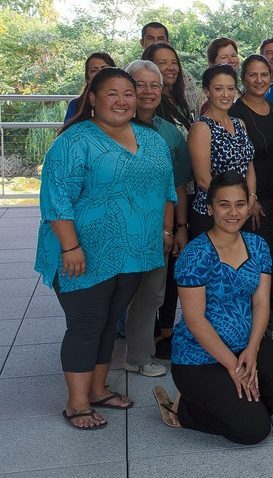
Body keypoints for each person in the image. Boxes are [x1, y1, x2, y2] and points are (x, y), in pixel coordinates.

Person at [37, 67, 176, 430]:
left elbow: (166, 190)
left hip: (134, 253)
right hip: (83, 254)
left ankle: (98, 389)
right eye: (111, 93)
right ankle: (77, 402)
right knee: (86, 324)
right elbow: (56, 199)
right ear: (93, 99)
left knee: (107, 322)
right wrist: (70, 247)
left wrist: (164, 231)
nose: (122, 100)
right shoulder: (74, 140)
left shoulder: (153, 139)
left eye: (128, 93)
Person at [152, 171, 273, 444]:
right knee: (254, 430)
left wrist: (253, 349)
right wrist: (235, 368)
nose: (233, 212)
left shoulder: (258, 246)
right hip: (199, 357)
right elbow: (195, 320)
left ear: (249, 205)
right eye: (224, 204)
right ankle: (186, 408)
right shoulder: (195, 254)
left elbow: (261, 303)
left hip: (244, 345)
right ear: (210, 208)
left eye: (240, 204)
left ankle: (241, 404)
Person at [122, 60, 192, 378]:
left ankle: (138, 356)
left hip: (156, 227)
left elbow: (176, 186)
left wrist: (177, 228)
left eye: (155, 85)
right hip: (117, 226)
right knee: (110, 294)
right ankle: (91, 361)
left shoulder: (168, 133)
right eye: (140, 84)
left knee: (152, 293)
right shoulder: (110, 128)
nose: (148, 92)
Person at [229, 55, 273, 299]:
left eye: (264, 74)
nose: (259, 80)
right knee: (257, 260)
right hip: (255, 201)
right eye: (253, 75)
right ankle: (257, 319)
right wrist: (249, 199)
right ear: (244, 78)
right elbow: (235, 163)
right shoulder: (235, 112)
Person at [187, 65, 255, 237]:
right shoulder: (201, 128)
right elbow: (203, 180)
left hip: (241, 213)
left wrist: (250, 198)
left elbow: (249, 167)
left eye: (230, 88)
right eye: (219, 88)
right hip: (212, 214)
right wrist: (230, 206)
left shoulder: (240, 124)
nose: (226, 94)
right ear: (207, 90)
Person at [140, 22, 202, 116]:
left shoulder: (184, 81)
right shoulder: (133, 76)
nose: (156, 42)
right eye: (163, 63)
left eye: (174, 63)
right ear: (142, 42)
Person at [142, 43, 193, 137]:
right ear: (149, 67)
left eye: (174, 62)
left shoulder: (179, 100)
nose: (171, 68)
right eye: (163, 63)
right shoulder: (148, 103)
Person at [64, 53, 115, 125]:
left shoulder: (126, 102)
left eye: (105, 69)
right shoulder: (75, 105)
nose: (100, 73)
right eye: (94, 70)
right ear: (88, 78)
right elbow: (67, 134)